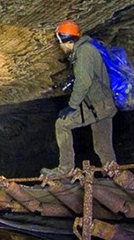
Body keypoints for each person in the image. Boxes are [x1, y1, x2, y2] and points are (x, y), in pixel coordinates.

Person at [42, 20, 117, 176]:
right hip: (105, 103)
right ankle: (113, 174)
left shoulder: (84, 53)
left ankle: (65, 168)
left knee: (62, 124)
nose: (60, 47)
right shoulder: (86, 49)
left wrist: (72, 106)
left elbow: (84, 82)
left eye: (59, 42)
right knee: (102, 145)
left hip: (98, 105)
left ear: (65, 40)